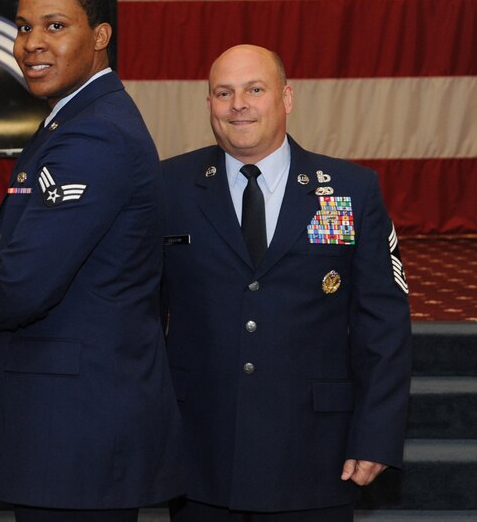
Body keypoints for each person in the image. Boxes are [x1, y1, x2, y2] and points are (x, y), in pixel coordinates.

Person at [0, 0, 185, 521]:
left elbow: (26, 281)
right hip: (80, 416)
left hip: (77, 430)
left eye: (55, 26)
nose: (33, 43)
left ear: (101, 36)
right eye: (25, 27)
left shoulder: (93, 132)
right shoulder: (76, 119)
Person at [161, 44, 412, 521]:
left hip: (316, 453)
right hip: (200, 450)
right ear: (210, 104)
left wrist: (376, 434)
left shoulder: (350, 190)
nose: (239, 104)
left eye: (255, 89)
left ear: (286, 98)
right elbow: (139, 312)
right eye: (223, 92)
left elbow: (383, 325)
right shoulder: (168, 187)